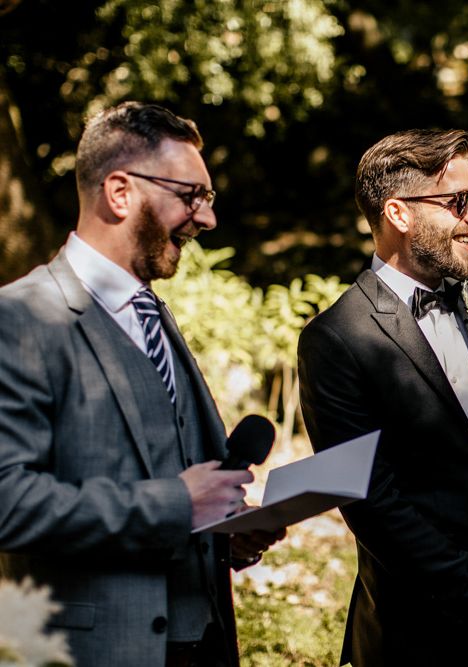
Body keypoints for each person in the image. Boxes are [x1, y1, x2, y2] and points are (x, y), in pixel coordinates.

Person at [0, 101, 284, 667]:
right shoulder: (19, 318)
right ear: (121, 191)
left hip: (203, 641)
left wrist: (223, 529)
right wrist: (177, 504)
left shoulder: (154, 314)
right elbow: (9, 501)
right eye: (191, 197)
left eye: (208, 199)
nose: (207, 219)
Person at [298, 129, 468, 666]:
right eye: (460, 202)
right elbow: (371, 502)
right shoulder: (338, 338)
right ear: (399, 214)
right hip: (413, 629)